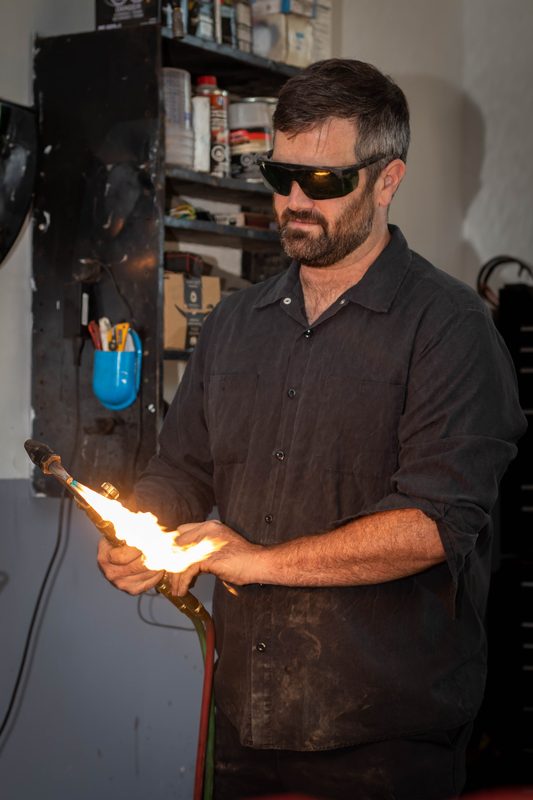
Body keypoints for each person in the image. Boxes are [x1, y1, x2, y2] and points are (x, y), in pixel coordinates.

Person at [97, 59, 526, 799]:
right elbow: (182, 469)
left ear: (386, 180)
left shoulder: (450, 329)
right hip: (240, 715)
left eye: (323, 182)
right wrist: (142, 531)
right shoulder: (234, 323)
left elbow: (435, 523)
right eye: (279, 174)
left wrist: (255, 560)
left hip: (385, 732)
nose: (293, 202)